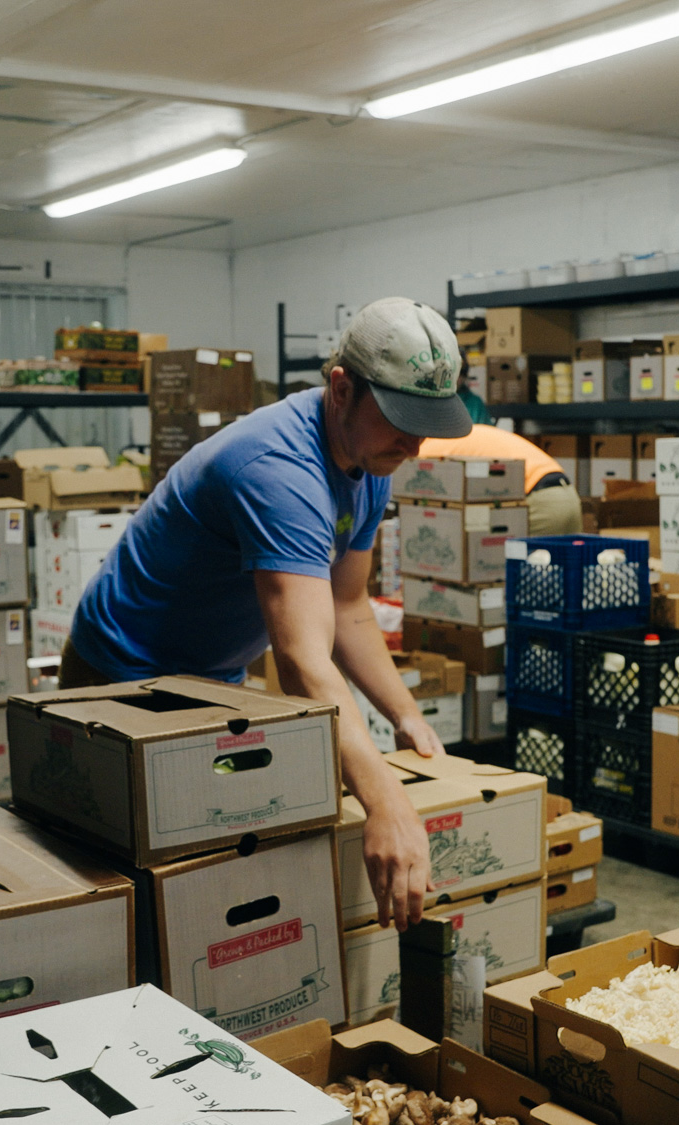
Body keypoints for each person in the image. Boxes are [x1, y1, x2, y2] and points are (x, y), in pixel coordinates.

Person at [62, 297, 472, 930]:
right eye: (400, 420)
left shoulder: (371, 461)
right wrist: (383, 799)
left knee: (212, 865)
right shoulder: (278, 469)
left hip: (211, 679)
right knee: (127, 888)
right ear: (341, 388)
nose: (414, 444)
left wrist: (406, 713)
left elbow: (348, 604)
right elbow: (304, 661)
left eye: (425, 424)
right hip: (121, 673)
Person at [418, 422, 583, 536]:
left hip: (537, 500)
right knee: (568, 573)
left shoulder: (424, 453)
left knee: (516, 572)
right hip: (566, 493)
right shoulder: (458, 436)